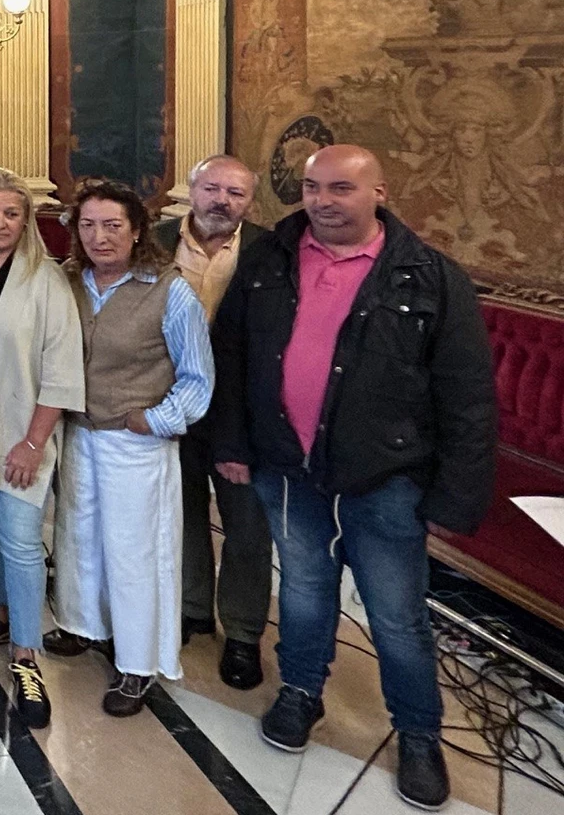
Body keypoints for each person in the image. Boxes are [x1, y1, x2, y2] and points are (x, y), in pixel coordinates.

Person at [212, 145, 496, 810]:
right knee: (306, 591)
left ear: (379, 192)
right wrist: (231, 441)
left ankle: (418, 732)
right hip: (288, 467)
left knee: (397, 616)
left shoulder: (429, 277)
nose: (323, 200)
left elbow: (468, 395)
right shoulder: (268, 259)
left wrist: (457, 495)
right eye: (312, 187)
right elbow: (230, 352)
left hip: (385, 476)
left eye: (341, 187)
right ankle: (301, 691)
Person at [47, 179, 213, 717]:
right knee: (79, 538)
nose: (100, 237)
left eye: (113, 225)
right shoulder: (67, 281)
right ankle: (85, 626)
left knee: (134, 552)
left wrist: (157, 419)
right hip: (79, 433)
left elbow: (197, 377)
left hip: (135, 441)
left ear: (137, 230)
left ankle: (138, 664)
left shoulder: (170, 289)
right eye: (88, 225)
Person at [0, 168, 83, 729]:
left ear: (26, 221)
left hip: (20, 437)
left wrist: (34, 442)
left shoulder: (45, 280)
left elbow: (61, 369)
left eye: (11, 213)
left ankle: (26, 653)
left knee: (22, 541)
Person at [154, 154, 271, 690]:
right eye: (213, 188)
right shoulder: (152, 240)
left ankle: (244, 634)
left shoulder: (271, 252)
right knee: (181, 513)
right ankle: (192, 609)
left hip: (242, 412)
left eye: (236, 193)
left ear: (249, 202)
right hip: (170, 400)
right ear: (193, 190)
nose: (222, 201)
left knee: (247, 527)